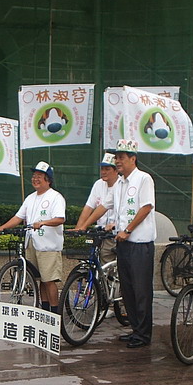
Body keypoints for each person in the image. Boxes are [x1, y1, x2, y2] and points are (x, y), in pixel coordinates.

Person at [75, 139, 156, 348]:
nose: (117, 161)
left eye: (121, 158)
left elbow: (146, 207)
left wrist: (127, 230)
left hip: (140, 244)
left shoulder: (143, 179)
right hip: (123, 244)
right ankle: (135, 329)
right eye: (116, 158)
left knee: (141, 290)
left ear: (132, 158)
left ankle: (144, 334)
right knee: (127, 289)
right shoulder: (119, 184)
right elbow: (103, 207)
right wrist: (83, 225)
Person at [0, 161, 65, 313]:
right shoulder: (30, 198)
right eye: (34, 176)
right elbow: (18, 217)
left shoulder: (56, 197)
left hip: (48, 245)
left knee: (49, 280)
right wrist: (2, 227)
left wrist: (43, 222)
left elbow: (60, 219)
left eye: (39, 176)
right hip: (31, 243)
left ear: (48, 180)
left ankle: (55, 313)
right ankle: (44, 311)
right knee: (40, 280)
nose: (35, 179)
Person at [75, 151, 120, 263]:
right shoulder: (98, 184)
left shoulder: (121, 185)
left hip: (117, 231)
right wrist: (79, 228)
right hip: (101, 232)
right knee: (100, 261)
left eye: (107, 169)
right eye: (102, 169)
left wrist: (115, 224)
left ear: (116, 170)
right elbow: (88, 207)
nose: (103, 172)